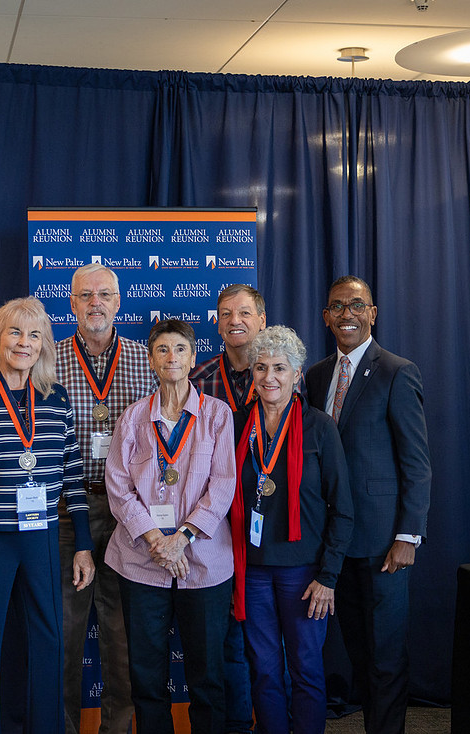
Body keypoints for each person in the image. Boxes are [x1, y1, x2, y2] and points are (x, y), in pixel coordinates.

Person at [0, 296, 96, 734]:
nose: (24, 343)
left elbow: (73, 477)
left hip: (41, 536)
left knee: (47, 641)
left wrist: (83, 543)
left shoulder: (56, 398)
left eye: (34, 335)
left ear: (44, 344)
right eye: (15, 332)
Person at [305, 276, 431, 734]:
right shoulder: (316, 376)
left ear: (372, 313)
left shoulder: (398, 372)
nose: (347, 314)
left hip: (383, 546)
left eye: (356, 305)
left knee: (385, 657)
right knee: (357, 651)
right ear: (326, 317)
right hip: (331, 543)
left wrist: (407, 536)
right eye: (338, 306)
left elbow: (416, 464)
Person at [105, 318, 236, 734]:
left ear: (193, 357)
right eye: (162, 350)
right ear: (150, 360)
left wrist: (182, 539)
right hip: (142, 562)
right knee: (145, 678)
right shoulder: (131, 418)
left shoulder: (217, 415)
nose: (172, 357)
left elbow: (223, 484)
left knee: (208, 677)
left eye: (180, 349)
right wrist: (155, 540)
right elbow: (118, 485)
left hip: (204, 563)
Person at [230, 326, 353, 734]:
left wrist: (328, 577)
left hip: (305, 574)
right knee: (264, 671)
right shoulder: (236, 425)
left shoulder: (319, 428)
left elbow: (343, 510)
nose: (269, 377)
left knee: (306, 670)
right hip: (253, 570)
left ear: (296, 375)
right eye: (261, 367)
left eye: (279, 368)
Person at [55, 264, 155, 734]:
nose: (95, 303)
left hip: (126, 516)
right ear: (71, 303)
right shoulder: (45, 359)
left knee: (120, 637)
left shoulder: (145, 358)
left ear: (119, 302)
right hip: (64, 514)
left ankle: (118, 729)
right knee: (64, 635)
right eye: (85, 296)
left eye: (104, 295)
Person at [189, 283, 266, 734]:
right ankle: (236, 723)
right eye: (224, 313)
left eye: (244, 312)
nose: (234, 320)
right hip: (214, 523)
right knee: (224, 637)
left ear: (261, 318)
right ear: (216, 323)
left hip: (270, 525)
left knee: (270, 635)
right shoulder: (198, 380)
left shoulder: (281, 375)